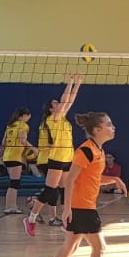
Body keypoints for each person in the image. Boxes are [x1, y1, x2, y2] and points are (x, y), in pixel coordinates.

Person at [39, 111, 123, 257]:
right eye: (109, 124)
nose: (113, 127)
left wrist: (114, 179)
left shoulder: (98, 151)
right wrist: (67, 208)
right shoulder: (85, 150)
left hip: (85, 206)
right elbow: (70, 180)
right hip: (82, 207)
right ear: (97, 130)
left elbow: (93, 179)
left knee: (70, 247)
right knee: (99, 248)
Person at [25, 73, 83, 235]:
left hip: (67, 157)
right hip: (56, 157)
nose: (60, 104)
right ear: (51, 109)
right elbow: (65, 101)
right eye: (55, 103)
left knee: (65, 189)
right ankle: (31, 218)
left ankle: (66, 221)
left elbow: (69, 101)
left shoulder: (63, 118)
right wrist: (69, 82)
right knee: (50, 190)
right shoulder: (53, 119)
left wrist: (78, 84)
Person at [0, 108, 33, 215]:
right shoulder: (23, 125)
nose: (28, 119)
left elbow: (3, 142)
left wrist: (2, 156)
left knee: (13, 182)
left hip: (7, 156)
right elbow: (22, 140)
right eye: (28, 116)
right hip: (15, 156)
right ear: (23, 116)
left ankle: (10, 206)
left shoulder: (9, 126)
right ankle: (11, 207)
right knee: (14, 183)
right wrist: (33, 148)